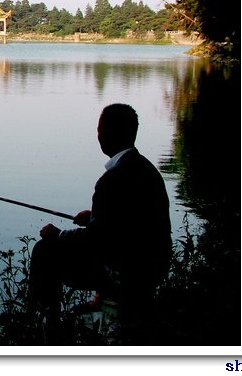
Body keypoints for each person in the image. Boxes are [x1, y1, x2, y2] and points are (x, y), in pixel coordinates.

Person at [28, 103, 172, 326]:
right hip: (153, 266)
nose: (98, 135)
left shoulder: (111, 179)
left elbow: (96, 241)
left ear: (109, 133)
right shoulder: (147, 169)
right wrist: (95, 217)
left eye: (100, 129)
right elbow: (129, 222)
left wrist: (60, 235)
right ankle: (99, 299)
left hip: (127, 272)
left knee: (45, 250)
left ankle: (44, 320)